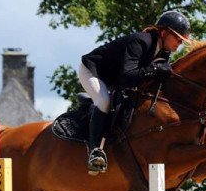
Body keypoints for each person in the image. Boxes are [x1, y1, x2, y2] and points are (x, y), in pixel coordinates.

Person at [79, 10, 191, 175]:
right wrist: (155, 69)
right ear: (164, 32)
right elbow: (127, 76)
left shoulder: (163, 52)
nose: (179, 44)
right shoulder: (140, 41)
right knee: (104, 101)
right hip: (93, 71)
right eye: (177, 38)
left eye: (182, 41)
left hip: (114, 78)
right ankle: (95, 151)